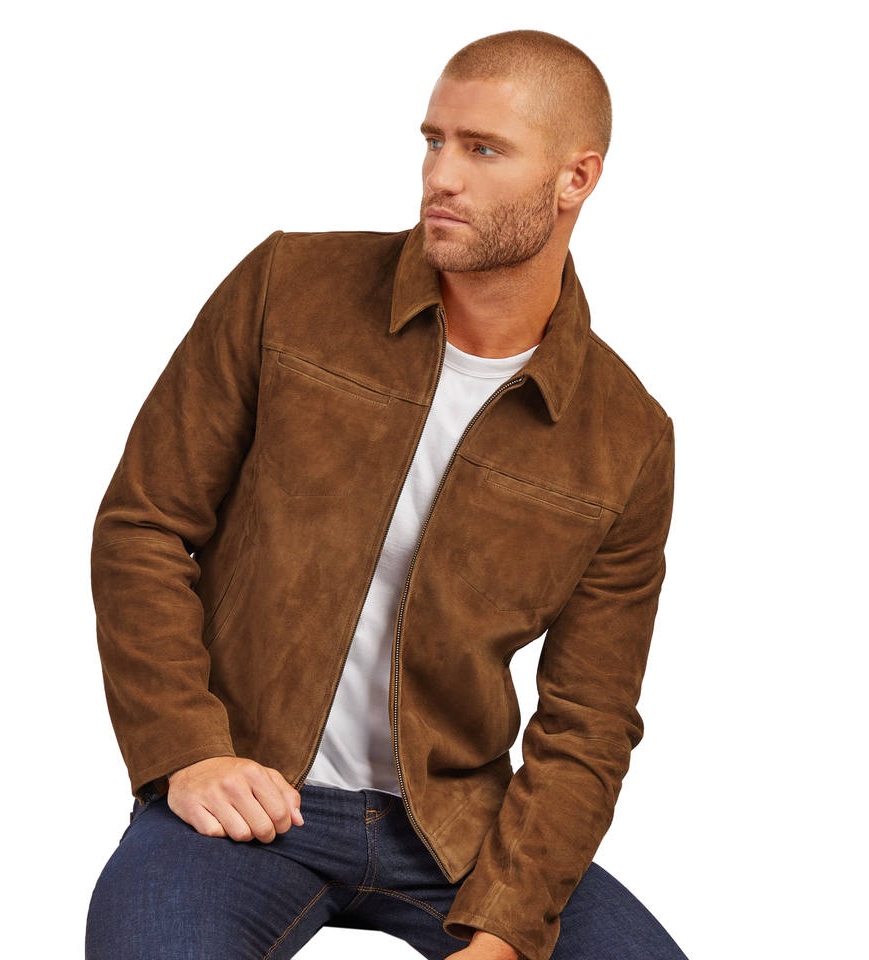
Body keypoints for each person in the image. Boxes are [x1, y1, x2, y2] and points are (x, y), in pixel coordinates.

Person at [85, 28, 688, 960]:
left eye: (483, 150)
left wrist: (507, 928)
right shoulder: (289, 287)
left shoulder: (625, 436)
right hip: (247, 791)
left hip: (459, 830)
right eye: (434, 140)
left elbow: (589, 720)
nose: (441, 175)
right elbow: (145, 527)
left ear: (577, 178)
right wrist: (187, 750)